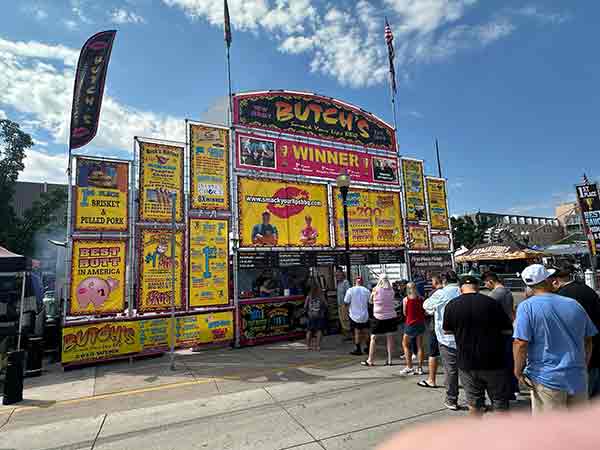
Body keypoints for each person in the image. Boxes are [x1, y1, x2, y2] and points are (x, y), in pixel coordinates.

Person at [513, 264, 597, 414]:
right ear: (548, 280)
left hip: (545, 377)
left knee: (551, 431)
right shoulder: (573, 304)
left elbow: (520, 343)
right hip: (576, 375)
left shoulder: (526, 307)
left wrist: (518, 371)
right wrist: (584, 364)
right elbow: (588, 338)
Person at [443, 274, 513, 416]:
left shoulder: (452, 305)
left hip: (467, 362)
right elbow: (507, 329)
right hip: (494, 361)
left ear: (460, 288)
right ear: (478, 287)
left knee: (474, 404)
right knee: (499, 402)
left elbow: (447, 330)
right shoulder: (492, 303)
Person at [550, 264, 600, 399]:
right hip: (595, 346)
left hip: (578, 353)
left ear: (555, 281)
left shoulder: (561, 297)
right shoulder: (587, 290)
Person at [423, 270, 462, 410]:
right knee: (469, 369)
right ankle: (474, 398)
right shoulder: (463, 290)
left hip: (447, 338)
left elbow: (426, 306)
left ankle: (452, 399)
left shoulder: (441, 293)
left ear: (444, 280)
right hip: (465, 336)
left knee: (451, 370)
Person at [483, 272, 519, 399]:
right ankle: (514, 388)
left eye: (485, 283)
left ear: (490, 281)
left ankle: (508, 390)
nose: (485, 285)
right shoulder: (507, 291)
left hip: (500, 332)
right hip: (509, 329)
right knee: (510, 360)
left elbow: (486, 310)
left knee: (504, 363)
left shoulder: (496, 294)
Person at [362, 276, 397, 366]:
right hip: (391, 317)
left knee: (373, 338)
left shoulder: (376, 289)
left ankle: (370, 360)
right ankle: (389, 360)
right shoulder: (392, 291)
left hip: (378, 317)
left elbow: (370, 301)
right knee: (389, 338)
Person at [418, 275, 443, 388]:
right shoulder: (454, 291)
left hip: (436, 326)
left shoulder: (434, 293)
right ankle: (452, 381)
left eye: (432, 280)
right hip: (451, 327)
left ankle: (431, 380)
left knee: (433, 353)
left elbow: (428, 311)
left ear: (436, 281)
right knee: (451, 355)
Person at [400, 282, 425, 375]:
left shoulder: (406, 300)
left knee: (405, 344)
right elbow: (424, 311)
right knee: (419, 346)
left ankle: (409, 366)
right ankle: (420, 368)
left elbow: (404, 313)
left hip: (410, 324)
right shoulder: (421, 298)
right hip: (420, 323)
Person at [344, 277, 371, 356]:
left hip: (354, 315)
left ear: (354, 282)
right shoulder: (366, 291)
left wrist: (348, 308)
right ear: (362, 282)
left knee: (357, 331)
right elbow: (370, 302)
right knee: (366, 331)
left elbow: (346, 301)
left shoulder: (350, 290)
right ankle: (369, 347)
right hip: (365, 315)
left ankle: (358, 349)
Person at [304, 281, 328, 351]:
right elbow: (326, 304)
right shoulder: (321, 295)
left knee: (309, 330)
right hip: (320, 315)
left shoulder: (309, 296)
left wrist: (309, 310)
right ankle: (318, 346)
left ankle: (308, 346)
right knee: (319, 330)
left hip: (311, 315)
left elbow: (305, 306)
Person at [335, 268, 352, 341]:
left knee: (346, 320)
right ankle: (347, 335)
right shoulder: (339, 283)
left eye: (338, 273)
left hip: (345, 305)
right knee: (342, 321)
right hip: (340, 305)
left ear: (342, 273)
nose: (337, 275)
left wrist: (346, 305)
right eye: (336, 274)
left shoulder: (346, 282)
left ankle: (350, 335)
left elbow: (349, 294)